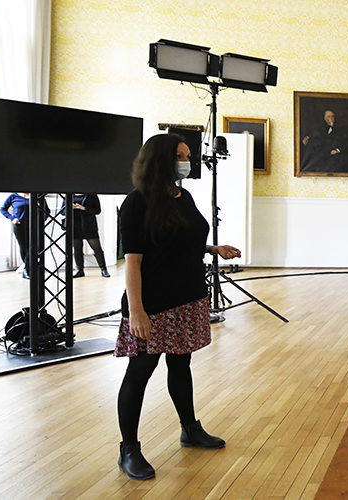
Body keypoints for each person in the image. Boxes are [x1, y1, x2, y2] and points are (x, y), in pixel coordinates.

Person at [114, 134, 242, 480]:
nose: (187, 161)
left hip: (187, 296)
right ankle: (129, 450)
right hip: (153, 304)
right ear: (160, 160)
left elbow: (181, 239)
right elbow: (133, 262)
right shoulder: (137, 203)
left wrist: (214, 249)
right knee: (139, 373)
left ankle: (190, 428)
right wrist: (137, 312)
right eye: (180, 156)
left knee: (181, 364)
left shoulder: (183, 195)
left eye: (188, 155)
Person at [65, 193, 110, 278]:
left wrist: (83, 208)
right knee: (77, 249)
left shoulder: (91, 194)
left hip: (88, 224)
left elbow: (97, 210)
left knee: (96, 247)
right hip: (74, 225)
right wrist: (70, 207)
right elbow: (63, 211)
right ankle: (80, 270)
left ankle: (103, 269)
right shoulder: (69, 194)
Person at [0, 192, 31, 279]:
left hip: (34, 225)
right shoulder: (13, 196)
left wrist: (41, 220)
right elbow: (2, 209)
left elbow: (46, 210)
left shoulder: (37, 195)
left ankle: (28, 268)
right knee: (24, 247)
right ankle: (27, 270)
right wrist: (12, 218)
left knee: (34, 247)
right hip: (19, 226)